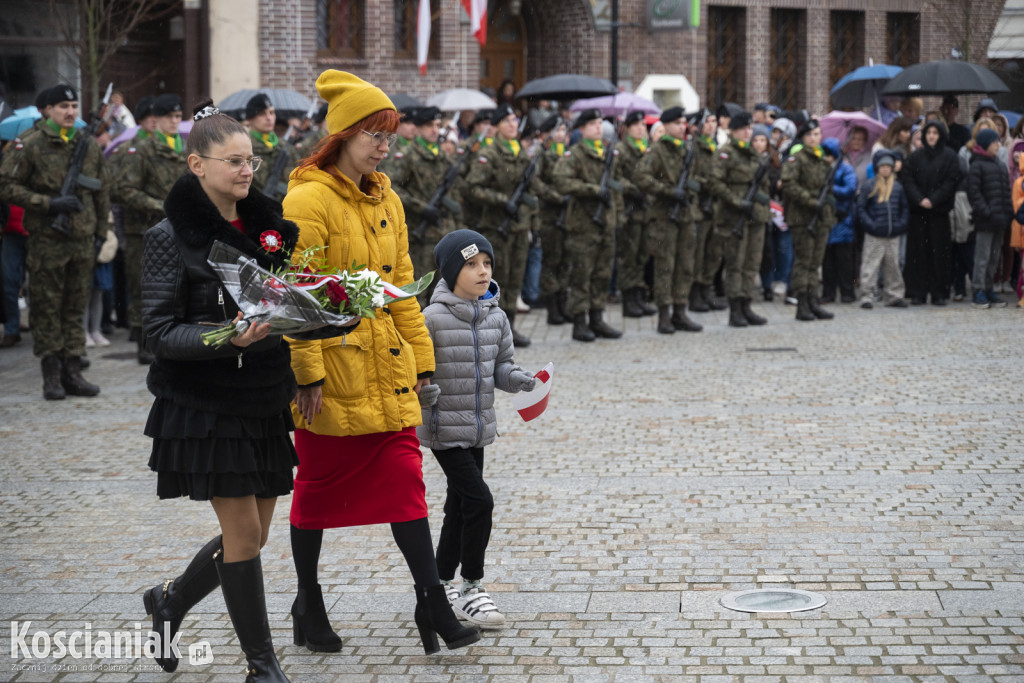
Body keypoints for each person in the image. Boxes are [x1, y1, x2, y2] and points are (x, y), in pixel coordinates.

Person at [281, 69, 480, 656]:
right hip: (333, 373)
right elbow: (295, 293)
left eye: (389, 135)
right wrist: (307, 371)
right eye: (375, 134)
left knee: (405, 482)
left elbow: (403, 289)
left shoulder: (387, 198)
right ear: (343, 134)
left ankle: (431, 602)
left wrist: (423, 361)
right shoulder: (307, 198)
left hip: (387, 366)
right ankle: (307, 601)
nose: (385, 145)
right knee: (315, 493)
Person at [139, 100, 299, 681]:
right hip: (205, 402)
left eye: (249, 160)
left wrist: (322, 315)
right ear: (197, 165)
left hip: (263, 394)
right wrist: (225, 337)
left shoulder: (268, 230)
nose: (245, 170)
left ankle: (169, 601)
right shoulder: (168, 237)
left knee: (254, 534)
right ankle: (262, 667)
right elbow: (158, 331)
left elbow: (281, 304)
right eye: (233, 161)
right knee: (244, 535)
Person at [417, 229, 536, 629]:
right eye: (471, 264)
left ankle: (437, 585)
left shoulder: (496, 316)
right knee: (480, 501)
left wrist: (520, 379)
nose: (483, 271)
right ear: (451, 272)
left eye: (487, 263)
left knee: (459, 505)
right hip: (444, 429)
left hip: (479, 428)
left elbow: (500, 367)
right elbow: (413, 373)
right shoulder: (430, 319)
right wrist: (423, 392)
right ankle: (471, 586)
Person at [0, 84, 109, 399]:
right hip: (47, 240)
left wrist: (101, 233)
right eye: (63, 106)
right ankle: (51, 376)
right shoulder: (30, 143)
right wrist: (48, 204)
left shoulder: (87, 144)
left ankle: (73, 371)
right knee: (47, 308)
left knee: (75, 307)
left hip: (82, 239)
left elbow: (101, 189)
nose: (70, 112)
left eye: (73, 106)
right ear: (47, 110)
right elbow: (6, 185)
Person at [114, 92, 188, 365]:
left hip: (180, 228)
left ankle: (173, 337)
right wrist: (160, 206)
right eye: (168, 116)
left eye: (178, 116)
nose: (174, 121)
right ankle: (144, 339)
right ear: (156, 119)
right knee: (145, 286)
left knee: (177, 286)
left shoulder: (186, 150)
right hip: (145, 229)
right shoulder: (142, 149)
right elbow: (125, 190)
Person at [463, 103, 534, 347]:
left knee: (515, 278)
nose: (512, 125)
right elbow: (472, 187)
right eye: (507, 121)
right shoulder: (490, 154)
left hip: (519, 225)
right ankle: (493, 329)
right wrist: (503, 201)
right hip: (496, 226)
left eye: (515, 120)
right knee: (497, 280)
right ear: (496, 126)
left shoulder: (521, 152)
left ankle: (510, 327)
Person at [552, 108, 623, 341]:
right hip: (583, 225)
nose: (598, 127)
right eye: (593, 124)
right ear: (581, 129)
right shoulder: (575, 154)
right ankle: (580, 322)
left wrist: (617, 216)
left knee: (602, 274)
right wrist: (592, 190)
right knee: (582, 275)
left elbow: (615, 188)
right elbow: (560, 180)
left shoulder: (608, 153)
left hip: (605, 223)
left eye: (600, 123)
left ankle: (597, 318)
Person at [634, 106, 703, 334]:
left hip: (686, 215)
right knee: (665, 266)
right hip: (664, 216)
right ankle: (664, 314)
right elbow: (641, 177)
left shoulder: (687, 149)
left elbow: (699, 177)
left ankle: (680, 311)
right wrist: (668, 191)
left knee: (686, 265)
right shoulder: (657, 150)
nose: (682, 127)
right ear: (666, 126)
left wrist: (690, 189)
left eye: (684, 123)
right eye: (677, 123)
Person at [707, 113, 772, 326]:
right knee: (735, 263)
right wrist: (736, 201)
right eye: (743, 129)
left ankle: (746, 304)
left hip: (756, 215)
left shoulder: (754, 154)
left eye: (749, 128)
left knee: (752, 263)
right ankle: (735, 309)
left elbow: (764, 185)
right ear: (733, 131)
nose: (747, 132)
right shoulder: (725, 153)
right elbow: (715, 183)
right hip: (734, 217)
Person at [389, 105, 459, 291]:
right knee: (419, 290)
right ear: (418, 127)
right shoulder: (408, 155)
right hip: (420, 233)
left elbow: (455, 194)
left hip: (445, 233)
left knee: (444, 290)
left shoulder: (444, 156)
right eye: (429, 125)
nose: (435, 130)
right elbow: (392, 188)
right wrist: (421, 207)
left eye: (437, 125)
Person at [780, 118, 835, 321]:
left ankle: (813, 300)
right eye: (810, 135)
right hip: (802, 217)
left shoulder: (822, 160)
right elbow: (789, 184)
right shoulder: (797, 159)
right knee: (803, 261)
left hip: (820, 217)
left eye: (817, 134)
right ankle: (801, 303)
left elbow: (828, 189)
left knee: (815, 262)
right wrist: (810, 200)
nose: (814, 138)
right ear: (803, 137)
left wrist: (827, 207)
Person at [902, 120, 962, 305]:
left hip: (939, 213)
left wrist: (933, 200)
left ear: (941, 135)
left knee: (940, 254)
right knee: (917, 253)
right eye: (928, 133)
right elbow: (908, 180)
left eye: (935, 133)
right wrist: (919, 199)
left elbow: (951, 181)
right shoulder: (915, 157)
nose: (931, 136)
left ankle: (939, 292)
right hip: (918, 213)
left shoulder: (950, 156)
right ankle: (917, 292)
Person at [616, 110, 656, 318]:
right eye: (637, 125)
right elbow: (615, 177)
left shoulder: (647, 149)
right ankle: (628, 300)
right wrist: (632, 189)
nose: (641, 129)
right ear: (627, 128)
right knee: (629, 256)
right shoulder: (621, 150)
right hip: (629, 209)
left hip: (645, 210)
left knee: (641, 255)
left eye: (643, 125)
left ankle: (639, 296)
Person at [967, 128, 1013, 308]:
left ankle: (988, 288)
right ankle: (978, 290)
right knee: (982, 257)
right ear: (985, 144)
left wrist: (1008, 213)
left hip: (1000, 220)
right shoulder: (977, 165)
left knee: (994, 257)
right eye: (994, 142)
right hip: (985, 220)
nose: (998, 145)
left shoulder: (999, 164)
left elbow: (1005, 191)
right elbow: (974, 193)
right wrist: (986, 211)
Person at [857, 151, 909, 309]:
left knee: (893, 266)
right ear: (877, 168)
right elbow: (861, 208)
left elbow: (904, 208)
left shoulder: (898, 187)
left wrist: (900, 225)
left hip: (893, 234)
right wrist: (871, 225)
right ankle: (867, 296)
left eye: (888, 166)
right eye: (882, 166)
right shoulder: (869, 186)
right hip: (875, 234)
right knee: (870, 266)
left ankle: (894, 295)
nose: (885, 169)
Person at [533, 115, 572, 325]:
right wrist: (557, 197)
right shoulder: (542, 154)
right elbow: (536, 182)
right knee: (551, 261)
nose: (560, 134)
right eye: (557, 130)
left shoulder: (567, 154)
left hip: (568, 214)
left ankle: (563, 303)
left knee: (565, 261)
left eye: (563, 130)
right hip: (549, 214)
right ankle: (552, 307)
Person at [689, 110, 727, 314]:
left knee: (714, 252)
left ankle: (707, 289)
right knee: (698, 252)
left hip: (716, 207)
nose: (712, 125)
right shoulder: (693, 149)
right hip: (700, 206)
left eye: (714, 121)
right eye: (707, 122)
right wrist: (708, 184)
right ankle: (695, 293)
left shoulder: (716, 148)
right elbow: (690, 178)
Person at [820, 137, 858, 304]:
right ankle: (828, 293)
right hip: (827, 218)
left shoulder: (845, 168)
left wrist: (830, 188)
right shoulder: (822, 168)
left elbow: (850, 189)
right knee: (827, 261)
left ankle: (847, 292)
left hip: (842, 218)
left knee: (844, 261)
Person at [245, 93, 301, 202]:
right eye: (262, 114)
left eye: (271, 113)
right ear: (249, 119)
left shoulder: (285, 147)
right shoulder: (245, 148)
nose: (269, 118)